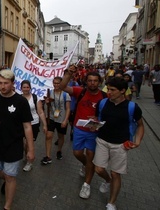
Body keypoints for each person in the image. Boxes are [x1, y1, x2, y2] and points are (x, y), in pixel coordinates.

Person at [0, 69, 34, 210]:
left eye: (6, 83)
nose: (2, 86)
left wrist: (31, 150)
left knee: (11, 177)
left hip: (14, 145)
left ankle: (7, 206)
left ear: (13, 83)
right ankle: (8, 178)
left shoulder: (21, 101)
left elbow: (27, 127)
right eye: (0, 83)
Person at [93, 77, 144, 210]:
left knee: (116, 173)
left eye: (113, 90)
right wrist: (93, 124)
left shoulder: (132, 107)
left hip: (121, 144)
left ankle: (111, 202)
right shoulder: (102, 103)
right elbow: (98, 120)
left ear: (122, 91)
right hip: (102, 141)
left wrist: (137, 141)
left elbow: (140, 125)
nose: (109, 92)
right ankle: (107, 180)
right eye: (108, 89)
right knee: (98, 169)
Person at [59, 67, 107, 199]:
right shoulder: (80, 91)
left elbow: (107, 114)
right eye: (90, 80)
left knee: (90, 157)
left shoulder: (104, 96)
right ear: (86, 81)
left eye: (95, 81)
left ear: (99, 82)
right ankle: (86, 165)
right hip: (79, 129)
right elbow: (63, 86)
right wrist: (69, 73)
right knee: (77, 153)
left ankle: (87, 185)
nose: (92, 83)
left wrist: (98, 120)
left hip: (94, 131)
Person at [42, 77, 71, 164]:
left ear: (61, 84)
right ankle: (48, 156)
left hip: (61, 119)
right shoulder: (49, 93)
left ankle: (59, 150)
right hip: (51, 118)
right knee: (48, 136)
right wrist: (46, 102)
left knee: (60, 136)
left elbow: (68, 108)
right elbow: (45, 106)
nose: (56, 85)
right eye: (54, 83)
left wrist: (65, 120)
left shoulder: (66, 94)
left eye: (58, 83)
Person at [20, 80, 46, 172]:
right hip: (21, 124)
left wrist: (45, 125)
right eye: (24, 87)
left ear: (30, 88)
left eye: (27, 87)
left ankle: (29, 162)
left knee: (28, 143)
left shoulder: (35, 98)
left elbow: (41, 112)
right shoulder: (18, 98)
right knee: (23, 143)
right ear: (21, 88)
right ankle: (26, 154)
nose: (26, 89)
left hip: (33, 123)